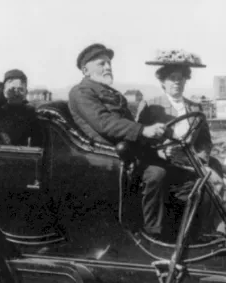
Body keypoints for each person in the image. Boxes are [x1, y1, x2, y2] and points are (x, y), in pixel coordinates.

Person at [68, 43, 174, 241]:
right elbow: (105, 124)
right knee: (156, 174)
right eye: (101, 64)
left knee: (175, 170)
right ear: (86, 70)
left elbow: (125, 124)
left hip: (125, 152)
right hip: (105, 157)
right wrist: (143, 130)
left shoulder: (111, 93)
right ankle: (153, 234)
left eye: (109, 63)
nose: (108, 67)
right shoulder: (81, 92)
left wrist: (154, 142)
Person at [137, 50, 225, 234]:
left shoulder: (195, 107)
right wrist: (159, 152)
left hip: (190, 162)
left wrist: (200, 158)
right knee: (209, 182)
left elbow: (205, 141)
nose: (176, 82)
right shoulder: (152, 106)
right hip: (162, 162)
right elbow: (139, 140)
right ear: (162, 81)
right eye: (171, 78)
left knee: (216, 182)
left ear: (186, 81)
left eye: (180, 78)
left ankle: (212, 230)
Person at [0, 69, 42, 146]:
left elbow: (37, 141)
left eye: (20, 89)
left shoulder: (30, 113)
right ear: (4, 92)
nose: (16, 93)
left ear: (26, 92)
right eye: (12, 90)